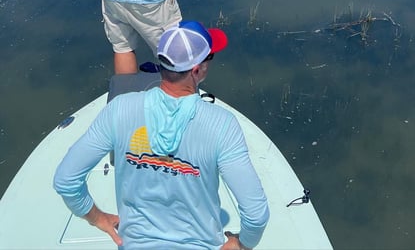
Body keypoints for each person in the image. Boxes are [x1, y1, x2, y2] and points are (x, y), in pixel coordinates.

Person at [53, 20, 270, 250]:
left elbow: (66, 180)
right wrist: (242, 244)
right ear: (197, 70)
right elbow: (256, 215)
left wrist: (98, 219)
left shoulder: (119, 109)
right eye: (210, 57)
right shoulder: (222, 125)